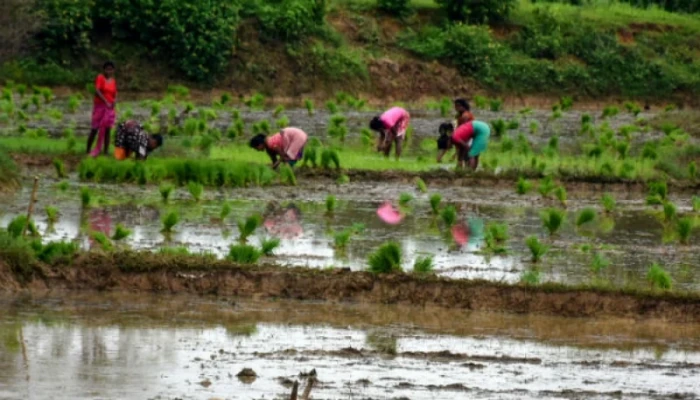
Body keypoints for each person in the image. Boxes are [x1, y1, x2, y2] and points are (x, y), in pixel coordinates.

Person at [87, 61, 117, 157]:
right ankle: (88, 149)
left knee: (107, 129)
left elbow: (114, 94)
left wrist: (114, 102)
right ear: (104, 70)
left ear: (113, 70)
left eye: (111, 69)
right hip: (100, 107)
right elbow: (97, 91)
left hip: (109, 108)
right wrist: (105, 101)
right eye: (107, 69)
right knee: (95, 128)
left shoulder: (113, 81)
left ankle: (106, 151)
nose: (109, 71)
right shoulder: (100, 78)